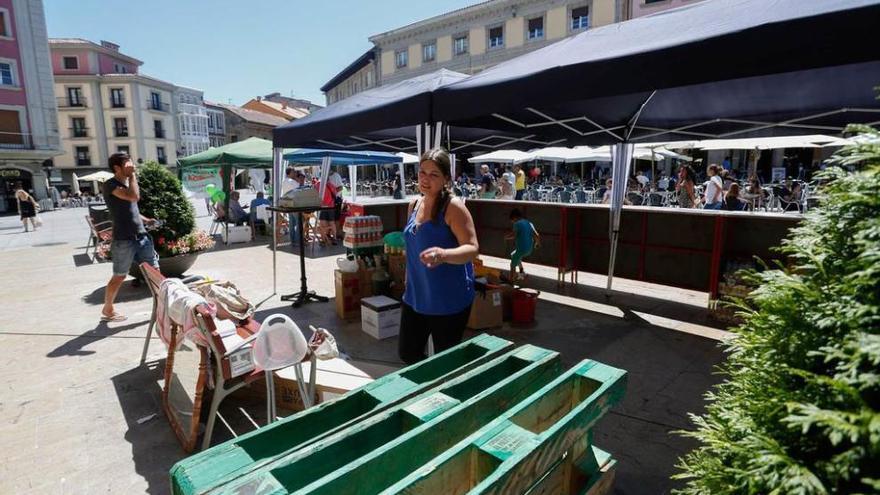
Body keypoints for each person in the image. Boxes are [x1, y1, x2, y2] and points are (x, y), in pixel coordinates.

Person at [399, 147, 478, 365]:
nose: (425, 179)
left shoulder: (453, 207)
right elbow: (412, 249)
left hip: (448, 299)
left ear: (446, 179)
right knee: (408, 353)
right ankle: (427, 386)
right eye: (422, 172)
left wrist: (443, 254)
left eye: (434, 174)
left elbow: (472, 248)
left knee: (446, 361)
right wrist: (407, 280)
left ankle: (444, 394)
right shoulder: (414, 204)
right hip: (416, 296)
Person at [101, 152, 159, 322]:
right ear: (117, 168)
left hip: (142, 236)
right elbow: (133, 197)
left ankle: (162, 307)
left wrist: (146, 220)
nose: (132, 166)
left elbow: (131, 207)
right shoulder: (110, 185)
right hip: (123, 239)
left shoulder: (125, 184)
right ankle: (108, 308)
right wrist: (133, 175)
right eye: (127, 164)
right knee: (119, 276)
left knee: (155, 272)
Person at [505, 209, 540, 282]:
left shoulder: (517, 224)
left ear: (514, 218)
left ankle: (511, 282)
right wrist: (537, 244)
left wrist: (506, 237)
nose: (513, 223)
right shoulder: (529, 223)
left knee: (512, 265)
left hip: (521, 250)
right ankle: (522, 272)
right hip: (529, 249)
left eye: (513, 221)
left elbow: (514, 235)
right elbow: (537, 235)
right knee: (513, 254)